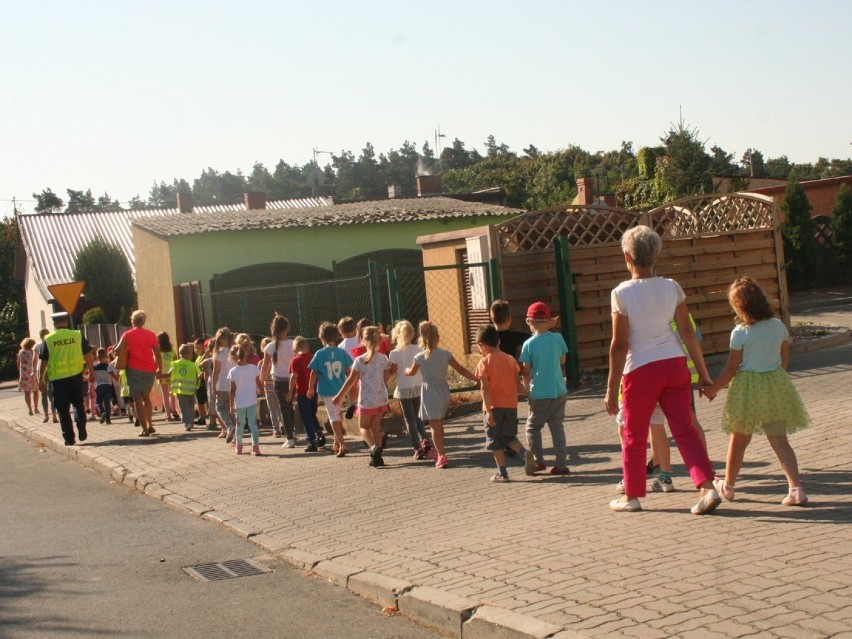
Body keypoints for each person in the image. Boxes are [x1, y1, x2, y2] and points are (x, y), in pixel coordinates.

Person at [604, 225, 720, 514]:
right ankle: (707, 488)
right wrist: (704, 375)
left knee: (634, 433)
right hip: (675, 364)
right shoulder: (672, 287)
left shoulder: (621, 293)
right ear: (655, 255)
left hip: (640, 370)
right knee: (686, 429)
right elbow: (687, 333)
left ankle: (631, 496)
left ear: (627, 257)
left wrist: (610, 389)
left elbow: (619, 345)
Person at [702, 276, 811, 507]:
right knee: (780, 440)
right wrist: (770, 376)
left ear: (739, 307)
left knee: (738, 440)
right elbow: (784, 360)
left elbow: (731, 368)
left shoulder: (740, 333)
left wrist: (713, 389)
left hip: (747, 390)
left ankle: (728, 487)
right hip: (774, 386)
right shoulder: (778, 325)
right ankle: (796, 489)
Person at [405, 321, 477, 469]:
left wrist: (405, 370)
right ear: (437, 337)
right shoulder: (446, 354)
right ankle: (441, 449)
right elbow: (462, 370)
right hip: (443, 389)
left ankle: (441, 455)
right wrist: (476, 379)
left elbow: (411, 372)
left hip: (429, 390)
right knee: (439, 422)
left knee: (434, 425)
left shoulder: (419, 357)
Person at [518, 302, 571, 477]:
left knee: (532, 428)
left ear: (529, 321)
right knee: (557, 426)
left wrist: (525, 388)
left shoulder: (529, 344)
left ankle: (538, 461)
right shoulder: (558, 338)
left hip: (539, 392)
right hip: (559, 389)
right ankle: (561, 465)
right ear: (549, 320)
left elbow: (526, 370)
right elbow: (563, 361)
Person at [475, 324, 529, 482]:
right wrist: (528, 392)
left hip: (493, 406)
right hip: (511, 405)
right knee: (509, 436)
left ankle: (502, 472)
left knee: (495, 441)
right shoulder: (510, 359)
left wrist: (489, 412)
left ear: (481, 345)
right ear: (498, 341)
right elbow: (518, 386)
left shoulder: (483, 363)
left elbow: (484, 389)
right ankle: (524, 453)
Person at [333, 326, 392, 467]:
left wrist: (339, 395)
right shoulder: (383, 358)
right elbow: (386, 379)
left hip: (366, 400)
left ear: (363, 341)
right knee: (376, 426)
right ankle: (377, 457)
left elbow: (350, 381)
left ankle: (373, 448)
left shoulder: (360, 360)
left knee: (364, 427)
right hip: (381, 398)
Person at [37, 312, 96, 446]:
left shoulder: (48, 339)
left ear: (54, 324)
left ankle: (69, 438)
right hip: (76, 376)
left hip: (58, 379)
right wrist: (92, 372)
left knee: (63, 409)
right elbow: (88, 355)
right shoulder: (77, 335)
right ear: (67, 322)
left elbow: (43, 362)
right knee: (78, 403)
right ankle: (81, 424)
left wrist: (40, 379)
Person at [388, 320, 433, 460]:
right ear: (412, 334)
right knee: (419, 417)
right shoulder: (418, 349)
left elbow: (394, 371)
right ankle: (425, 439)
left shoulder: (394, 353)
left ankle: (417, 447)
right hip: (418, 386)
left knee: (409, 420)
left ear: (397, 335)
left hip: (404, 388)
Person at [308, 322, 352, 458]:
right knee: (337, 414)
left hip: (327, 391)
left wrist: (310, 388)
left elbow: (313, 372)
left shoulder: (320, 354)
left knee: (333, 417)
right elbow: (349, 371)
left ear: (322, 339)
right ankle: (336, 444)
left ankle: (342, 444)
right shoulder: (342, 352)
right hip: (341, 389)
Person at [115, 310, 161, 437]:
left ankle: (145, 429)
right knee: (146, 397)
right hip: (150, 370)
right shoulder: (151, 335)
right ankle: (151, 425)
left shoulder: (127, 335)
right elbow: (157, 354)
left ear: (132, 320)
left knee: (137, 399)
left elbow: (118, 350)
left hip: (134, 370)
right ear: (143, 321)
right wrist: (160, 369)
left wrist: (119, 352)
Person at [261, 315, 296, 447]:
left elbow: (265, 367)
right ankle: (292, 432)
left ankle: (290, 438)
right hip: (292, 379)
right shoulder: (293, 344)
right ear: (287, 328)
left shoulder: (270, 346)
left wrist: (261, 380)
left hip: (279, 381)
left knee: (284, 408)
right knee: (290, 406)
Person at [288, 336, 324, 452]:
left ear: (294, 350)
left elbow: (294, 377)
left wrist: (290, 392)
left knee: (306, 416)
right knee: (313, 413)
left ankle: (311, 440)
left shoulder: (295, 360)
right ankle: (319, 432)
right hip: (313, 390)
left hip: (302, 392)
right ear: (307, 347)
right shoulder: (313, 357)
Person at [227, 344, 263, 456]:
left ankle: (239, 447)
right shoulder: (253, 368)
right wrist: (260, 390)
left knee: (240, 425)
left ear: (233, 357)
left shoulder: (233, 371)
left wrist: (231, 405)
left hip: (240, 403)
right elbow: (258, 382)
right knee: (253, 424)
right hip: (252, 401)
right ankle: (256, 448)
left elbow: (232, 390)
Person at [170, 343, 200, 432]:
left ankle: (187, 423)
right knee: (191, 406)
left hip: (180, 389)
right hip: (191, 390)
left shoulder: (175, 364)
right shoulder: (193, 365)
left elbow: (169, 373)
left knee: (184, 407)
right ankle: (190, 421)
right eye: (191, 354)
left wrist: (161, 376)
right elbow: (197, 376)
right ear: (188, 355)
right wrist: (197, 385)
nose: (192, 356)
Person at [34, 328, 57, 423]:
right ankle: (54, 415)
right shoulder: (52, 342)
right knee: (52, 394)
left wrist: (34, 371)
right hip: (51, 368)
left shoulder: (37, 346)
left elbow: (35, 359)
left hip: (42, 369)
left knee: (44, 394)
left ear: (40, 336)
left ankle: (46, 414)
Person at [157, 332, 179, 421]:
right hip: (171, 373)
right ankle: (174, 410)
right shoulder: (172, 349)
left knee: (165, 394)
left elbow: (155, 361)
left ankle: (168, 414)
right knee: (173, 393)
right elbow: (175, 360)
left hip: (162, 373)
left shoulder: (157, 350)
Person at [17, 337, 40, 416]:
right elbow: (36, 362)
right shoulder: (33, 352)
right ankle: (36, 408)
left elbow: (18, 363)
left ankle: (30, 409)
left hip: (24, 374)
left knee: (27, 392)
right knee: (36, 391)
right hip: (33, 373)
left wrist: (21, 371)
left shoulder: (21, 352)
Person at [93, 347, 113, 424]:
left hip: (99, 386)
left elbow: (92, 376)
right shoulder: (108, 366)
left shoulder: (95, 367)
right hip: (108, 385)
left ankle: (102, 412)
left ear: (97, 357)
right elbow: (112, 374)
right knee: (107, 402)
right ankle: (108, 419)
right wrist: (117, 379)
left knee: (98, 402)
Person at [192, 337, 210, 426]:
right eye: (195, 348)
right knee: (199, 402)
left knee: (208, 401)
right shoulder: (198, 357)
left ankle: (211, 417)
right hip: (198, 384)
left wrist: (199, 377)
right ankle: (202, 417)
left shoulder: (206, 357)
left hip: (204, 382)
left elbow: (203, 368)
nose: (196, 350)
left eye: (199, 348)